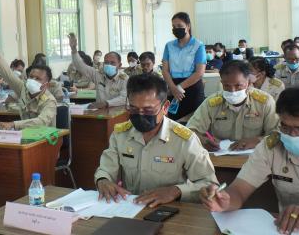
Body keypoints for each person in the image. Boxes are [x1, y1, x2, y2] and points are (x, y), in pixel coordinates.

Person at [95, 74, 217, 206]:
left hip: (171, 210)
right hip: (130, 208)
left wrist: (176, 191)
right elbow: (106, 169)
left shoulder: (185, 140)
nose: (140, 115)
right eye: (134, 109)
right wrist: (103, 180)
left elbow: (209, 184)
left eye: (148, 110)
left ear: (165, 107)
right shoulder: (120, 135)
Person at [200, 87, 299, 235]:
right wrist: (224, 201)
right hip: (285, 230)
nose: (292, 135)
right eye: (285, 127)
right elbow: (239, 190)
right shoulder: (271, 147)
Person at [187, 60, 278, 151]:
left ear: (248, 83)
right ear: (221, 83)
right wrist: (203, 140)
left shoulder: (265, 102)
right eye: (226, 86)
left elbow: (277, 134)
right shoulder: (211, 104)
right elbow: (190, 130)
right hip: (221, 156)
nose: (232, 91)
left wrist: (258, 140)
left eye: (238, 85)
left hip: (256, 157)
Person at [0, 27, 57, 130]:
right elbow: (7, 73)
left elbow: (41, 122)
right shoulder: (23, 88)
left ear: (46, 84)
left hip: (45, 139)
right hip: (24, 136)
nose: (33, 80)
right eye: (31, 77)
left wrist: (14, 124)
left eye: (38, 78)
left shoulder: (50, 101)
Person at [162, 12, 206, 121]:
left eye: (180, 26)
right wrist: (173, 88)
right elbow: (165, 70)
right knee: (172, 122)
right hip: (173, 86)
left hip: (192, 87)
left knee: (192, 123)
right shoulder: (169, 46)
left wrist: (179, 88)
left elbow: (199, 72)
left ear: (188, 26)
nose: (176, 29)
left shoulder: (198, 45)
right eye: (174, 26)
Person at [68, 33, 128, 109]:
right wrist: (74, 49)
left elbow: (124, 98)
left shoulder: (124, 79)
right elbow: (80, 66)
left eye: (112, 63)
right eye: (106, 62)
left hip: (117, 112)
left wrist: (106, 103)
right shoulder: (98, 74)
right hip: (99, 112)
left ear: (119, 65)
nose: (109, 65)